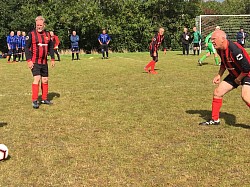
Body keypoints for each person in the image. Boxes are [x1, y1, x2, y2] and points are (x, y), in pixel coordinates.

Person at [199, 30, 250, 125]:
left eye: (214, 39)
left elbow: (247, 68)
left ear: (223, 39)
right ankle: (215, 120)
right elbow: (224, 62)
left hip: (247, 74)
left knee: (246, 96)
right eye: (211, 39)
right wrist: (219, 75)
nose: (212, 41)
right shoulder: (219, 49)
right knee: (217, 92)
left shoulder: (235, 49)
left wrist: (239, 79)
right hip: (235, 74)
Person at [25, 16, 55, 109]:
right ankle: (34, 100)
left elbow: (51, 47)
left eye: (40, 25)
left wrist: (53, 59)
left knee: (45, 80)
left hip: (44, 62)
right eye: (37, 25)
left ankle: (44, 99)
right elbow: (26, 48)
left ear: (44, 25)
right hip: (35, 62)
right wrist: (29, 61)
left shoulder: (48, 35)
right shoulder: (31, 34)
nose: (39, 26)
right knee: (37, 78)